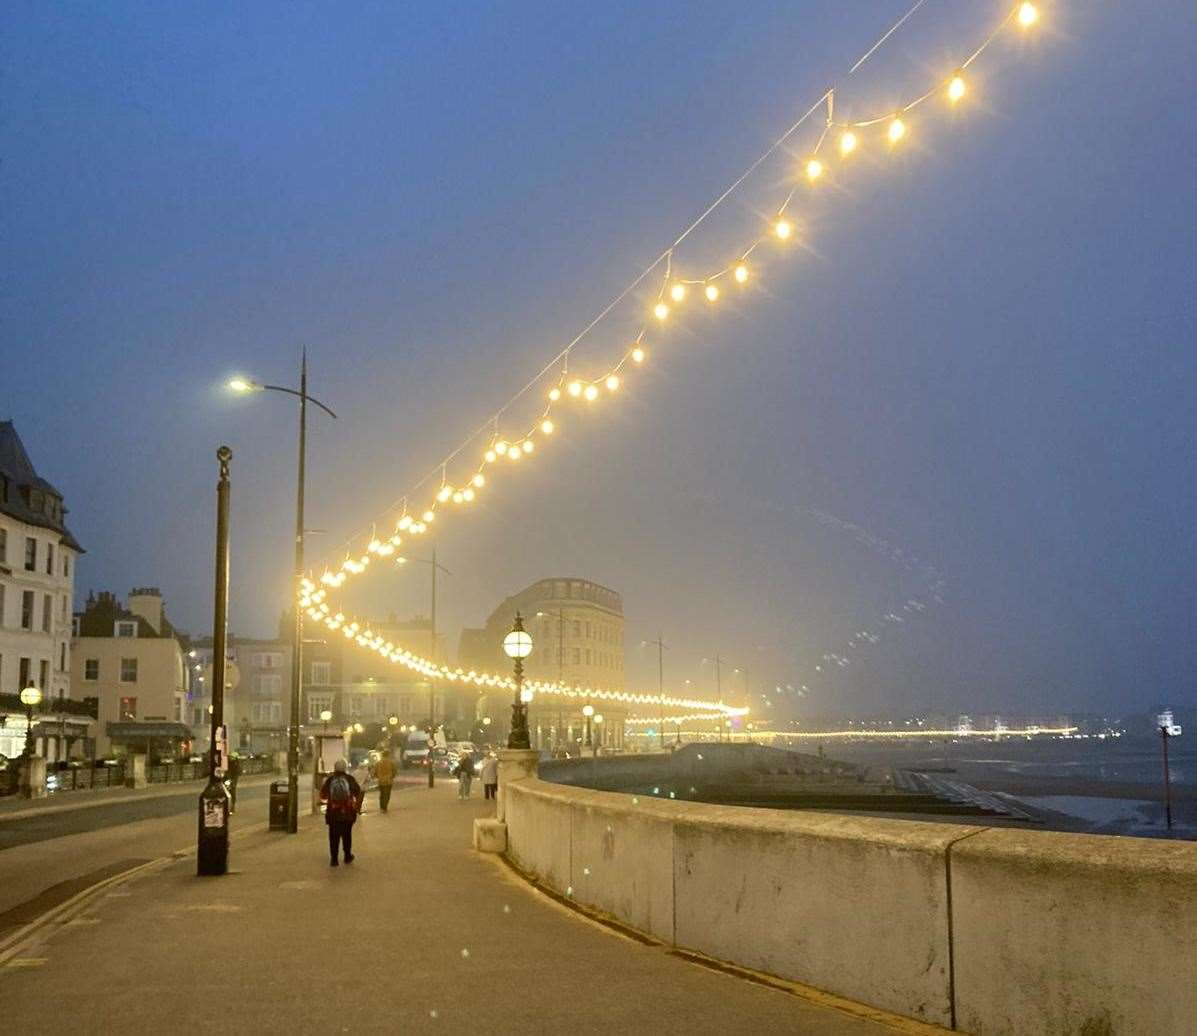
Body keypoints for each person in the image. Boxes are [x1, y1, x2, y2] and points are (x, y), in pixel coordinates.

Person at [319, 759, 362, 866]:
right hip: (347, 813)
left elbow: (323, 795)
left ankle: (334, 859)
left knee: (333, 836)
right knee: (347, 835)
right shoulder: (350, 779)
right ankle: (347, 856)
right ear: (345, 768)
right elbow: (358, 792)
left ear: (335, 768)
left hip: (333, 813)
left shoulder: (330, 780)